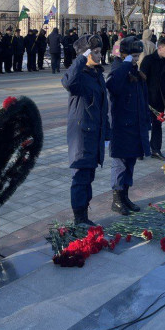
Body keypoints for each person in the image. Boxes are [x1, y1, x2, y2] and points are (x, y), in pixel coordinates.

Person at [62, 34, 109, 226]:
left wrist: (107, 133)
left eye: (99, 51)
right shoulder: (79, 76)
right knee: (81, 177)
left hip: (95, 132)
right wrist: (82, 57)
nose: (99, 55)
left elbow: (102, 105)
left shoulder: (97, 74)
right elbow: (67, 82)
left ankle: (84, 215)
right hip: (82, 134)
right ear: (86, 54)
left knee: (89, 175)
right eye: (95, 52)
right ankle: (79, 218)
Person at [106, 36, 150, 215]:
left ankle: (125, 196)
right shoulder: (119, 69)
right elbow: (113, 85)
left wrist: (146, 120)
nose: (136, 59)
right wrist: (125, 64)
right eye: (133, 55)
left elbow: (142, 99)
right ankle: (116, 199)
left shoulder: (135, 72)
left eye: (138, 56)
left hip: (135, 124)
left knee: (130, 161)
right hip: (122, 126)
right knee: (120, 163)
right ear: (123, 54)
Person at [140, 37, 165, 160]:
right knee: (143, 124)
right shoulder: (148, 60)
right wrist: (142, 97)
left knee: (157, 124)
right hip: (147, 98)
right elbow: (141, 80)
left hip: (159, 99)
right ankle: (140, 149)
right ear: (159, 48)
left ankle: (156, 149)